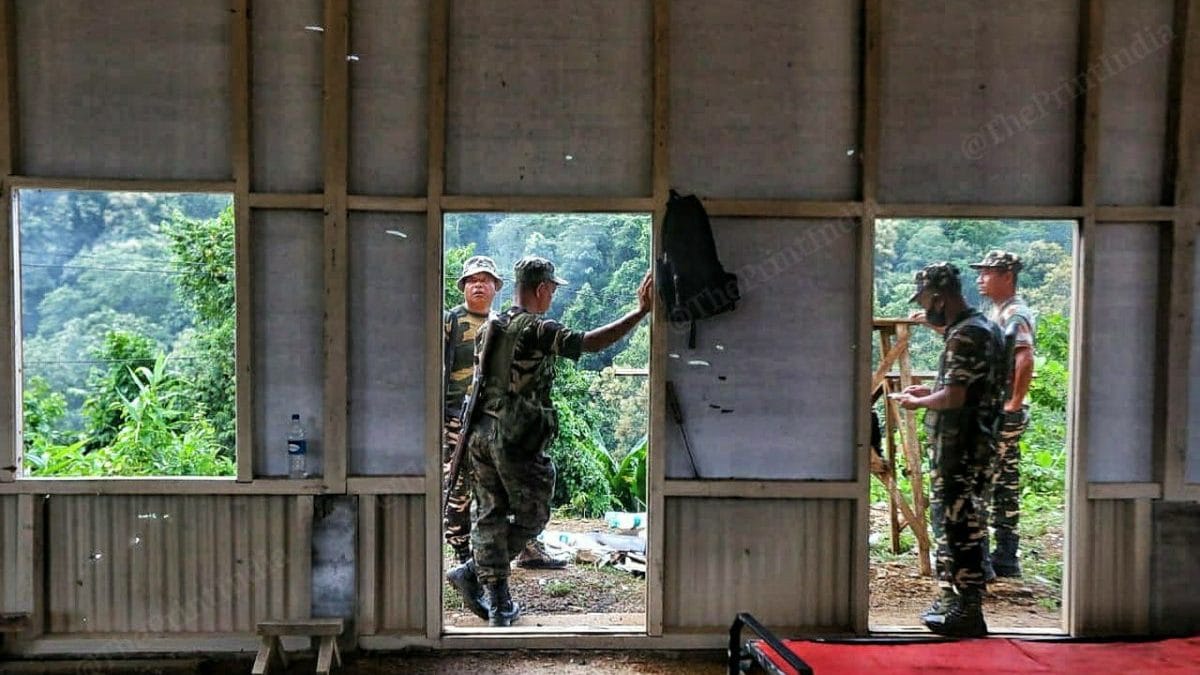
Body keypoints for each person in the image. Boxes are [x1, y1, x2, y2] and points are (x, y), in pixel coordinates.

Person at [447, 256, 653, 627]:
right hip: (513, 436)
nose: (552, 298)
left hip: (479, 432)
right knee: (534, 511)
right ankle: (476, 572)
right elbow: (587, 343)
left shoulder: (491, 325)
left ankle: (498, 602)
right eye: (553, 290)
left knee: (489, 513)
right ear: (542, 289)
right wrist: (640, 313)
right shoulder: (536, 328)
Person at [894, 262, 1004, 637]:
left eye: (925, 300)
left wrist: (918, 404)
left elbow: (955, 396)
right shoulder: (982, 329)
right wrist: (930, 392)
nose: (925, 308)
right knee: (963, 523)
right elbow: (966, 390)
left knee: (959, 527)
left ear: (940, 296)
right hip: (972, 446)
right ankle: (954, 601)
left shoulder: (965, 336)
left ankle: (967, 609)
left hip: (961, 450)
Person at [442, 256, 566, 571]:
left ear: (498, 287)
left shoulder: (504, 322)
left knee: (512, 491)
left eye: (485, 280)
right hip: (457, 420)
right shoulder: (451, 321)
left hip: (502, 423)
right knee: (459, 492)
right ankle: (464, 556)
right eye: (472, 280)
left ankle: (523, 551)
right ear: (463, 287)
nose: (478, 285)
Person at [970, 250, 1036, 579]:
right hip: (1002, 410)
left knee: (980, 479)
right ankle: (1006, 557)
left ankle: (980, 561)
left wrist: (1013, 402)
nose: (980, 278)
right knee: (1005, 480)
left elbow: (1024, 357)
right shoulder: (998, 311)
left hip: (1003, 412)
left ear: (1007, 276)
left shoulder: (1014, 313)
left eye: (988, 272)